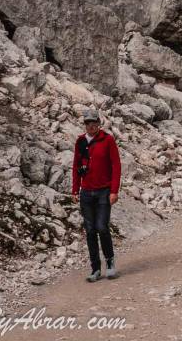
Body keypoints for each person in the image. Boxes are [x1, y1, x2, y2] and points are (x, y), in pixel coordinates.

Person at [71, 108, 121, 282]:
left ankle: (110, 262)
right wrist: (75, 189)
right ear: (84, 124)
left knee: (102, 227)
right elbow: (76, 166)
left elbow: (116, 166)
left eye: (93, 123)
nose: (90, 126)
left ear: (98, 124)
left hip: (103, 191)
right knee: (90, 230)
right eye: (87, 123)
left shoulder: (107, 140)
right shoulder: (80, 142)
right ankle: (95, 268)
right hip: (86, 192)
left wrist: (114, 191)